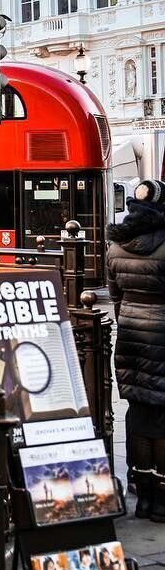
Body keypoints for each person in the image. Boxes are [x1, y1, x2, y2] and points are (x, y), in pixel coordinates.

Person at [107, 178, 165, 520]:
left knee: (139, 413)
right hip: (161, 336)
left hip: (130, 336)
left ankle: (141, 496)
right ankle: (161, 500)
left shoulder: (117, 246)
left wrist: (127, 318)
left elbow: (115, 297)